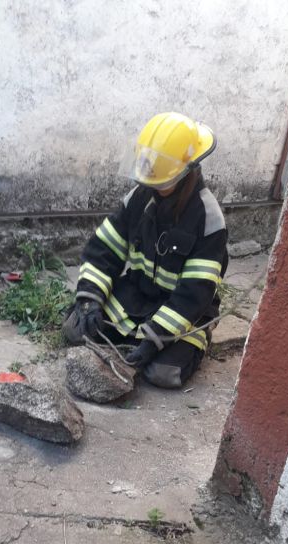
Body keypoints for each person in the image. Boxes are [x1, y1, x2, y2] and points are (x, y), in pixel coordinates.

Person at [63, 111, 228, 389]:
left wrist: (154, 339)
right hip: (137, 295)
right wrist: (90, 299)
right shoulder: (140, 197)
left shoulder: (208, 219)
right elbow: (103, 250)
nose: (148, 177)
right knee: (76, 328)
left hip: (184, 313)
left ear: (185, 170)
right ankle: (133, 335)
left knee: (163, 374)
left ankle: (193, 341)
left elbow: (193, 295)